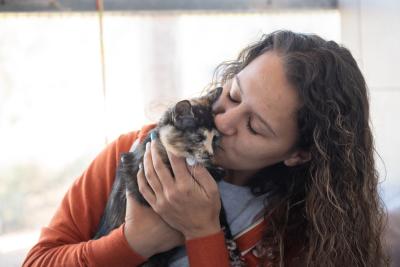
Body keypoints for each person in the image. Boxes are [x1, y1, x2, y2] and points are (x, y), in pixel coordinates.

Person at [23, 30, 389, 267]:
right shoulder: (136, 151)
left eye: (254, 127)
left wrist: (202, 230)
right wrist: (133, 241)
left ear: (298, 154)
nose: (224, 122)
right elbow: (38, 262)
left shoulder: (299, 229)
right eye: (232, 95)